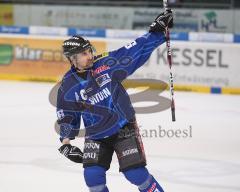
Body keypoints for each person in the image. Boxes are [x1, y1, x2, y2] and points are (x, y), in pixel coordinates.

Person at [57, 9, 173, 192]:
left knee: (135, 174)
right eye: (84, 54)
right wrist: (65, 142)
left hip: (122, 126)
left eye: (89, 51)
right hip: (95, 134)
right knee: (93, 178)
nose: (89, 56)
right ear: (72, 59)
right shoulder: (68, 84)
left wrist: (157, 31)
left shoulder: (106, 64)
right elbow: (67, 113)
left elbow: (134, 50)